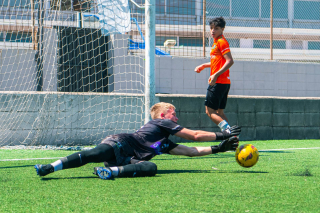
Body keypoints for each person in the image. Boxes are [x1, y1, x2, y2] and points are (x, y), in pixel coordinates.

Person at [35, 102, 241, 180]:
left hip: (128, 159)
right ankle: (50, 168)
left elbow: (191, 150)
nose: (176, 117)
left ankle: (109, 172)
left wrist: (218, 149)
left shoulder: (163, 142)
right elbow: (193, 136)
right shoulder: (161, 123)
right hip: (121, 143)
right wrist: (225, 134)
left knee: (151, 167)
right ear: (162, 115)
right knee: (94, 154)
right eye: (173, 113)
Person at [194, 16, 234, 132]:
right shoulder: (216, 43)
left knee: (209, 111)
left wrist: (215, 75)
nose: (213, 31)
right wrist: (204, 66)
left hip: (219, 82)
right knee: (219, 112)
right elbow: (217, 62)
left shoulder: (221, 42)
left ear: (222, 29)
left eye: (216, 28)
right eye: (211, 28)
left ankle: (229, 134)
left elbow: (230, 61)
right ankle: (233, 137)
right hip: (224, 83)